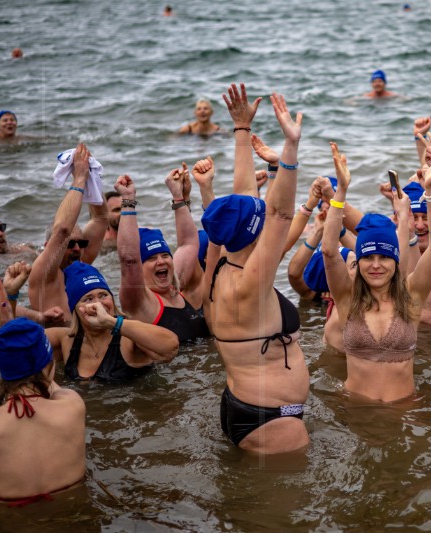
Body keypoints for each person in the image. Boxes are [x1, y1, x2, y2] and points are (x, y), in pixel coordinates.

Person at [202, 85, 308, 454]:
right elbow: (280, 213)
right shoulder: (250, 284)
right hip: (270, 419)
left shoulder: (219, 270)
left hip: (243, 405)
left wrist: (242, 130)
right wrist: (290, 151)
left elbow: (245, 197)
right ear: (254, 231)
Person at [322, 141, 431, 402]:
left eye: (384, 257)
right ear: (357, 261)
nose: (376, 265)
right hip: (356, 408)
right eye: (368, 257)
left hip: (404, 409)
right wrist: (340, 192)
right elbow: (328, 251)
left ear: (395, 261)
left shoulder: (411, 297)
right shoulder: (348, 300)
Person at [0, 270, 86, 506]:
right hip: (71, 512)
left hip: (7, 520)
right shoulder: (71, 406)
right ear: (49, 363)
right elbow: (44, 377)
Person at [115, 163, 209, 344]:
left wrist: (178, 196)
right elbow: (129, 260)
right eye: (151, 258)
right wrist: (128, 200)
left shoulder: (176, 287)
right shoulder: (139, 302)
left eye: (165, 255)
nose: (161, 261)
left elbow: (189, 243)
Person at [43, 262, 178, 381]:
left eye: (103, 295)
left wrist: (111, 322)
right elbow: (24, 345)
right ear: (76, 310)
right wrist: (39, 317)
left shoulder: (129, 337)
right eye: (88, 299)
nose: (99, 304)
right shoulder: (66, 340)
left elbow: (171, 347)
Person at [29, 144, 107, 325]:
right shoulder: (45, 275)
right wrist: (79, 178)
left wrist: (91, 178)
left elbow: (101, 219)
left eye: (81, 243)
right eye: (70, 244)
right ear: (49, 247)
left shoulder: (80, 265)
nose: (78, 249)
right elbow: (62, 230)